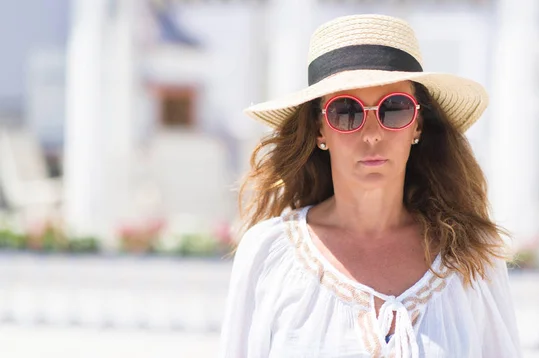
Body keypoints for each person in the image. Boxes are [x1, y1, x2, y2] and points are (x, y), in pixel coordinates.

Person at [219, 14, 522, 358]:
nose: (373, 133)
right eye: (346, 111)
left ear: (417, 126)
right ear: (320, 129)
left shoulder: (472, 255)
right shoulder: (269, 253)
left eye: (394, 109)